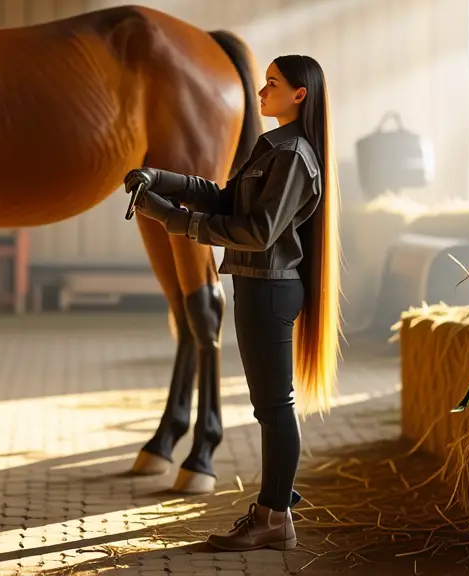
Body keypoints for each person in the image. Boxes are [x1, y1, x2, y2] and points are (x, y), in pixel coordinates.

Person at [125, 54, 341, 552]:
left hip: (267, 286)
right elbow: (226, 198)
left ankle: (274, 516)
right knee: (269, 405)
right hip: (256, 285)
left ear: (299, 95)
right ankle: (274, 506)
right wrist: (163, 180)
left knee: (273, 406)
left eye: (271, 84)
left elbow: (259, 232)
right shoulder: (274, 147)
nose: (261, 93)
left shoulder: (291, 155)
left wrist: (173, 220)